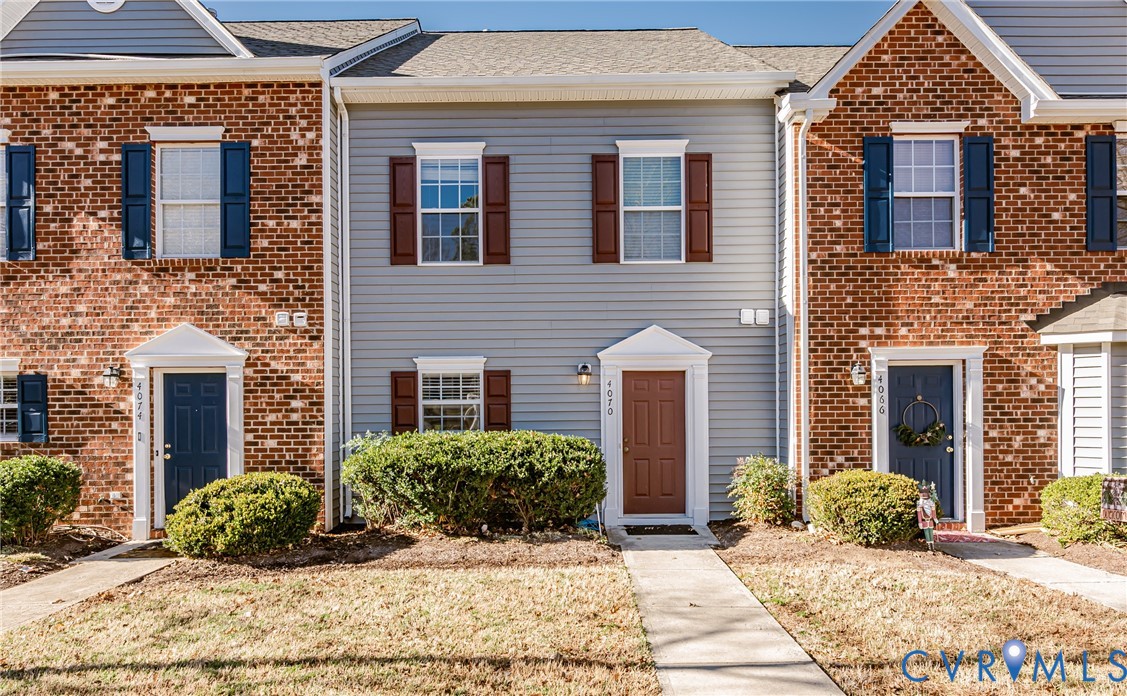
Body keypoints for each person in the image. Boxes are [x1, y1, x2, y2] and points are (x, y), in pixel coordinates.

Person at [917, 484, 939, 552]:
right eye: (923, 493)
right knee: (927, 533)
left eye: (926, 493)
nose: (925, 495)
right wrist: (920, 522)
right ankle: (929, 546)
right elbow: (919, 514)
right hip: (924, 521)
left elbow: (933, 512)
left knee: (931, 533)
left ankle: (932, 546)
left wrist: (935, 519)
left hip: (930, 521)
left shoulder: (931, 503)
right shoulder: (920, 504)